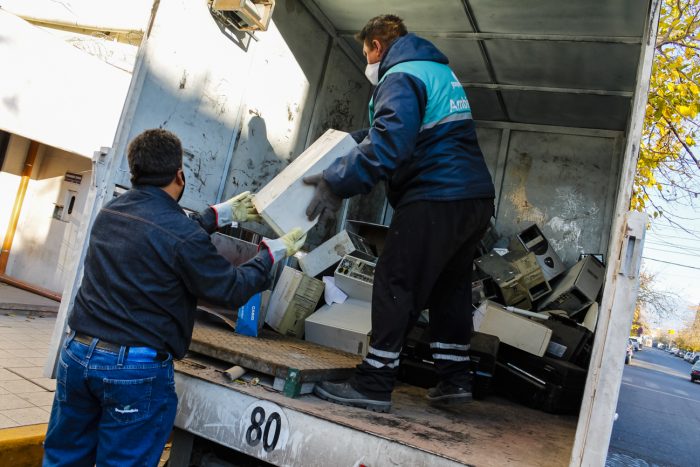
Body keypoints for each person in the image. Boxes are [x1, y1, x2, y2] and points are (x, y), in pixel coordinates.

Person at [43, 129, 305, 466]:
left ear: (135, 171)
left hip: (78, 355)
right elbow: (231, 288)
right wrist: (270, 254)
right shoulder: (181, 235)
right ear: (179, 175)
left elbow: (162, 234)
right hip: (133, 372)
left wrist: (216, 216)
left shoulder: (111, 213)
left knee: (63, 458)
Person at [304, 15, 495, 413]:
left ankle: (374, 382)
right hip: (472, 199)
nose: (367, 63)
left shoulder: (401, 75)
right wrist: (349, 145)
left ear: (376, 46)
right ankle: (455, 379)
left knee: (396, 279)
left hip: (435, 195)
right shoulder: (435, 71)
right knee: (449, 286)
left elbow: (391, 144)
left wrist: (336, 182)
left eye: (365, 54)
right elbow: (405, 131)